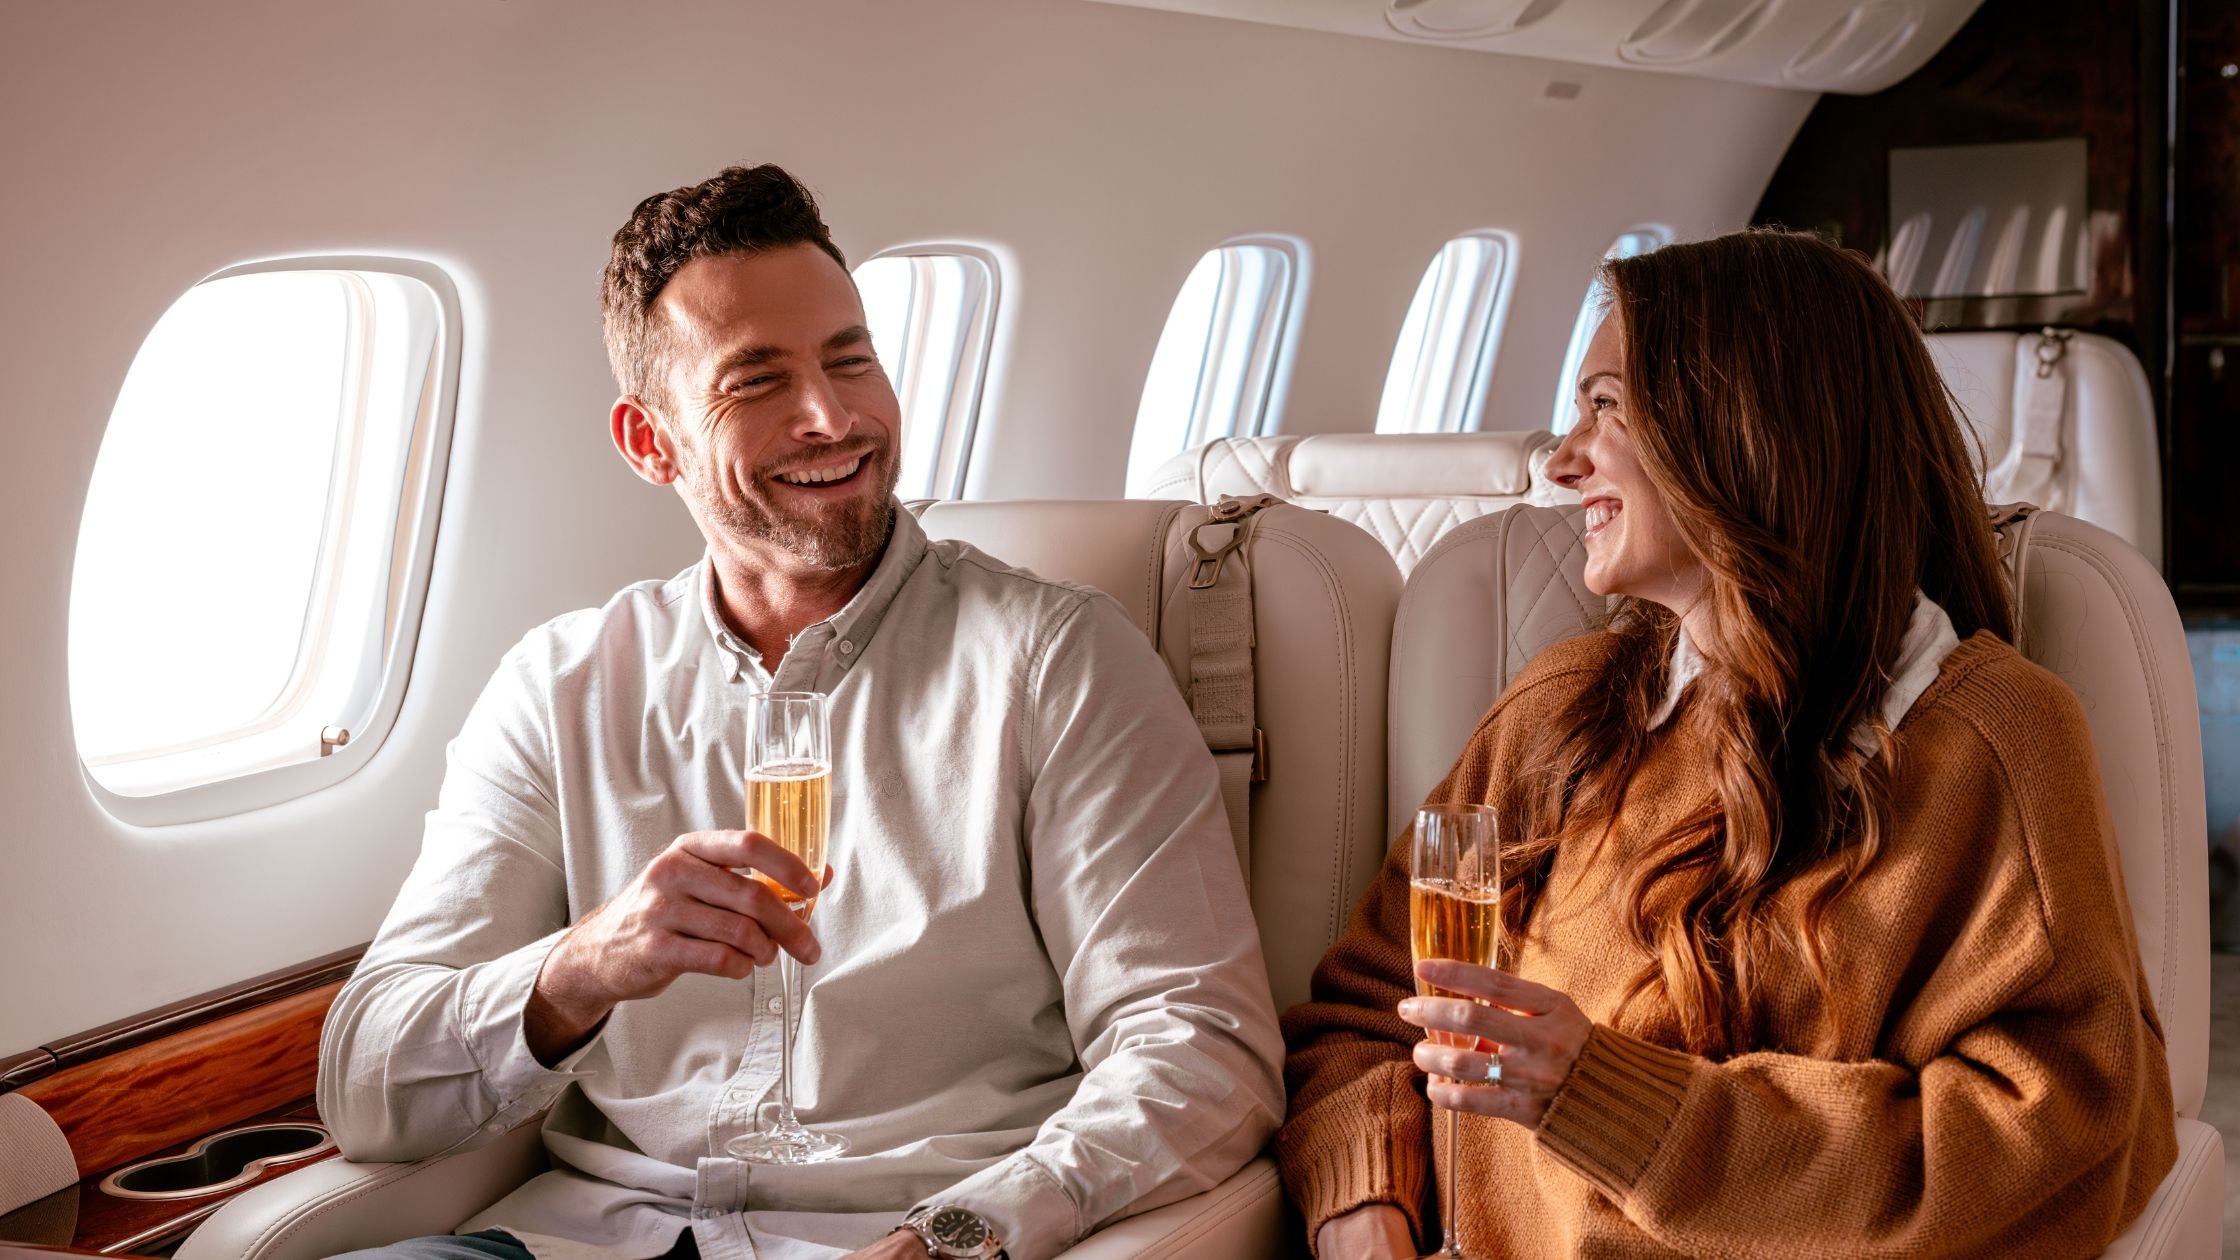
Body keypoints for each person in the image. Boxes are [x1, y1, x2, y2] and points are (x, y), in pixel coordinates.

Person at [319, 164, 1284, 1260]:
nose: (831, 416)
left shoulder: (1058, 661)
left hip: (895, 1238)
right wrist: (581, 967)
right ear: (650, 444)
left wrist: (966, 1233)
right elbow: (364, 1082)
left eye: (849, 359)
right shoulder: (561, 684)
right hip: (583, 1240)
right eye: (755, 382)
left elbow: (1201, 1047)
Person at [1279, 229, 2178, 1259]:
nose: (1562, 459)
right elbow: (1365, 1013)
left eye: (1605, 407)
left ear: (1739, 431)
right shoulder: (1553, 716)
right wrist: (1364, 1210)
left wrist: (1621, 1107)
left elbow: (2057, 1138)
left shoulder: (1989, 740)